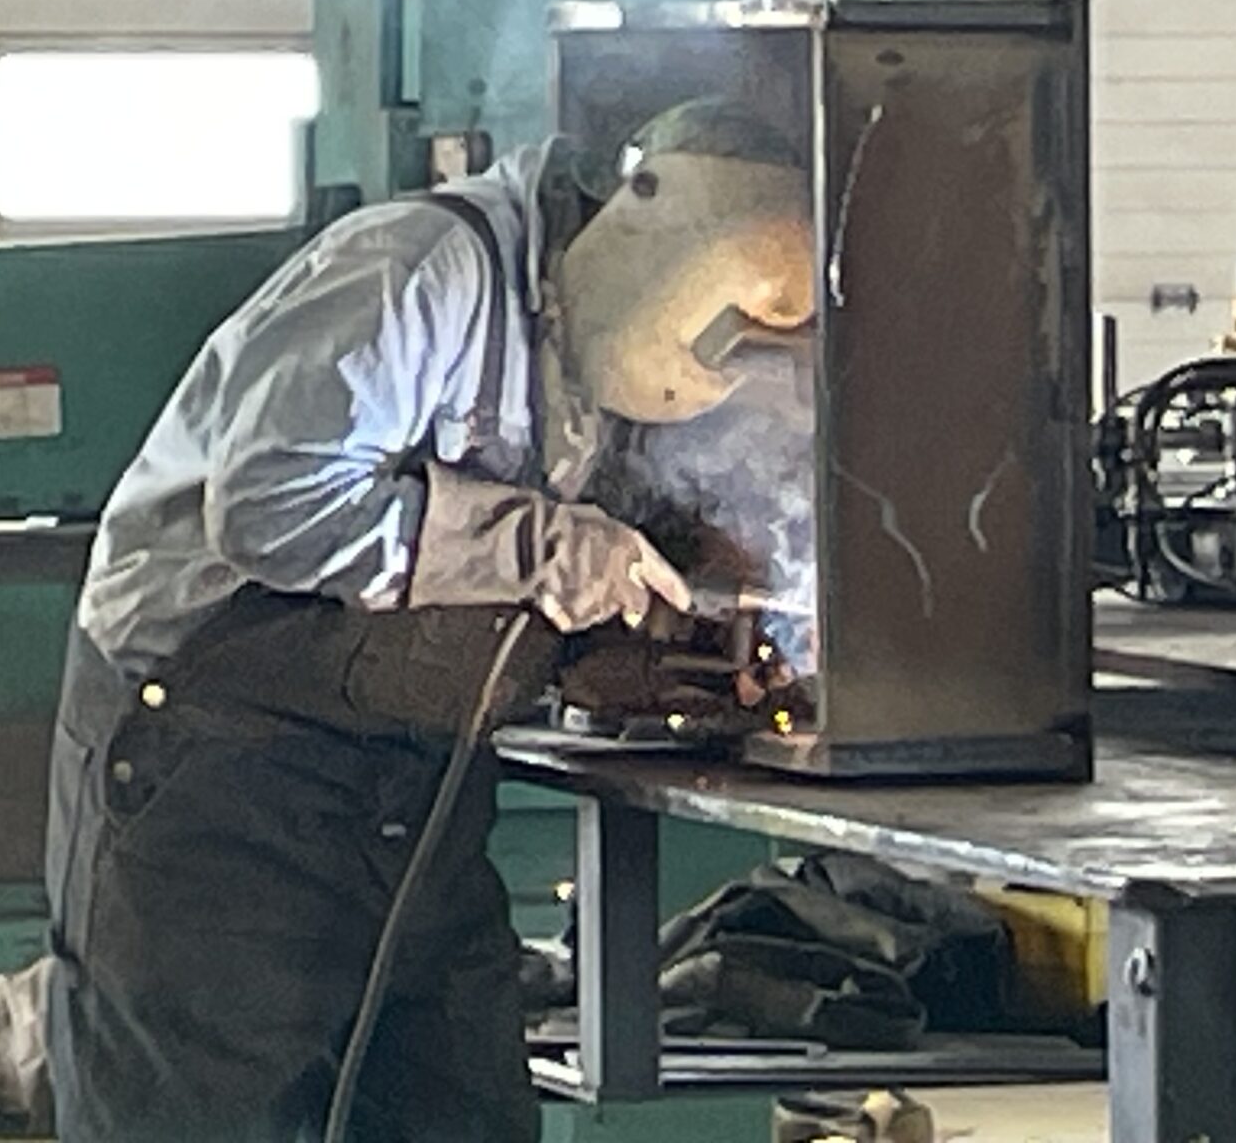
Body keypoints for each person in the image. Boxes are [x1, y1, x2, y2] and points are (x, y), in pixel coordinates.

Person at [43, 103, 814, 1142]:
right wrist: (540, 548)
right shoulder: (416, 272)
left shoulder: (575, 349)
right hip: (217, 787)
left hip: (411, 790)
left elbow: (450, 597)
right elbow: (272, 508)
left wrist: (579, 659)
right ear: (645, 223)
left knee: (463, 1115)